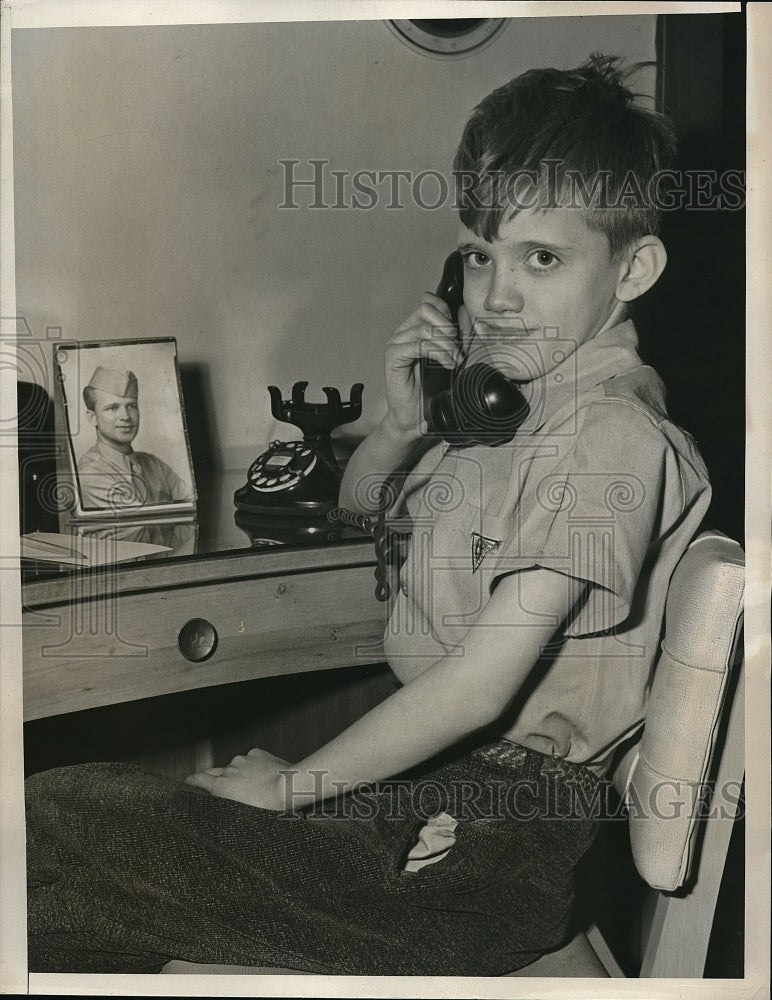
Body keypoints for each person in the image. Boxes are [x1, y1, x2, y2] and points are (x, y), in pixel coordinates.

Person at [26, 55, 711, 976]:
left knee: (54, 835)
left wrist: (295, 789)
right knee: (78, 824)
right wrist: (398, 427)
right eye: (481, 254)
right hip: (448, 792)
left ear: (636, 268)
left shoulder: (607, 440)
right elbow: (362, 511)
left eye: (542, 259)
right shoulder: (528, 411)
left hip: (491, 837)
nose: (496, 296)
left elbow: (478, 687)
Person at [77, 366, 191, 509]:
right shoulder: (91, 473)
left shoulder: (153, 464)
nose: (125, 416)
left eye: (131, 406)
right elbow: (138, 527)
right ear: (92, 417)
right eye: (113, 408)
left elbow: (191, 507)